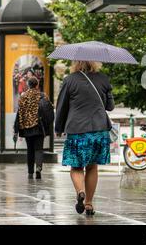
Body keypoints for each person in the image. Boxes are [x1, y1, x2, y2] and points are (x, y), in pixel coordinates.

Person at [55, 60, 115, 216]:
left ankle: (80, 191)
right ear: (95, 63)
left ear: (76, 63)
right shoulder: (103, 79)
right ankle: (88, 204)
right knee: (92, 167)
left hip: (77, 130)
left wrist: (58, 128)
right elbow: (110, 107)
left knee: (76, 167)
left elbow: (61, 107)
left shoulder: (69, 80)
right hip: (99, 130)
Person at [13, 77, 53, 179]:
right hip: (39, 127)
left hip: (27, 128)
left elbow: (19, 114)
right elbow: (49, 112)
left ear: (28, 85)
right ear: (37, 85)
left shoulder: (23, 97)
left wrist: (16, 129)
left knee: (30, 150)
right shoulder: (42, 96)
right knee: (39, 149)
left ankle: (30, 172)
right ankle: (38, 169)